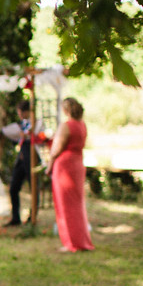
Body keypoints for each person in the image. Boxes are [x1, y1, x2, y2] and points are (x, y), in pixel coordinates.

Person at [46, 97, 94, 252]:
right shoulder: (82, 125)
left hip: (65, 166)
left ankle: (72, 242)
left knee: (65, 205)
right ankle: (82, 240)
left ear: (66, 110)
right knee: (78, 204)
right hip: (78, 164)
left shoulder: (66, 126)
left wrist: (49, 166)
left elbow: (56, 149)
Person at [3, 100, 42, 226]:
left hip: (32, 156)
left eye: (20, 112)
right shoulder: (22, 124)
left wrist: (28, 136)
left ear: (26, 112)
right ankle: (15, 217)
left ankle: (33, 217)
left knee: (33, 187)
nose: (19, 115)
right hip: (21, 157)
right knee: (14, 187)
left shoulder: (37, 123)